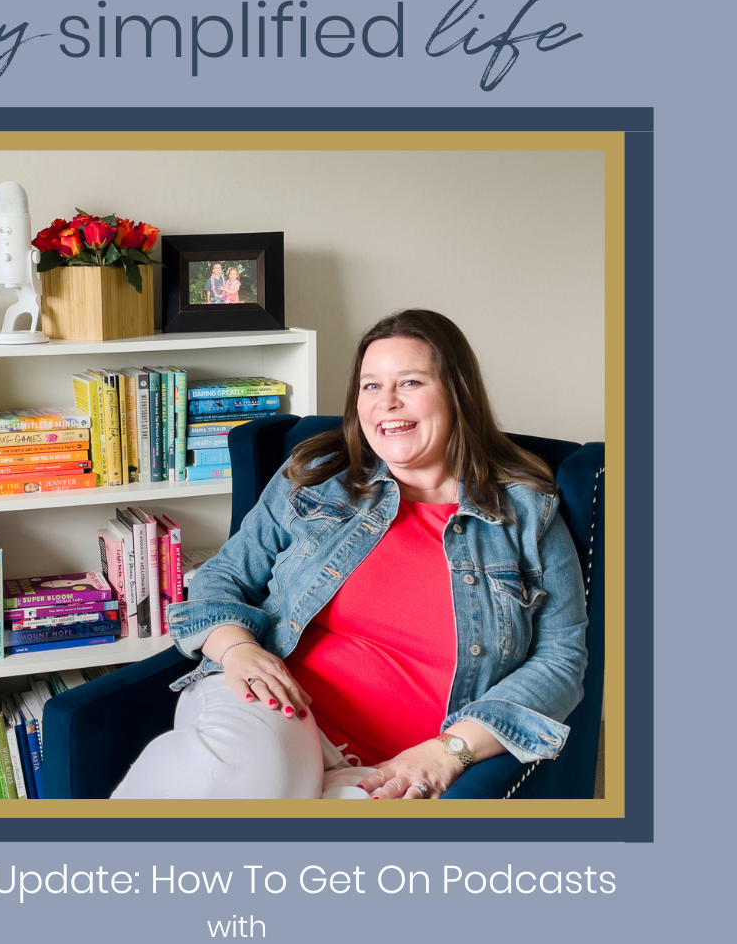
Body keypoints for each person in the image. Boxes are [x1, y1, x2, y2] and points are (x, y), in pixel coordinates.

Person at [112, 309, 588, 800]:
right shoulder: (318, 478)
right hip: (273, 707)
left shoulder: (527, 511)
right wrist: (239, 651)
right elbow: (225, 575)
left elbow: (560, 660)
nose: (388, 403)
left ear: (458, 393)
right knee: (242, 769)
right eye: (371, 386)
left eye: (410, 382)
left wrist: (448, 752)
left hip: (390, 770)